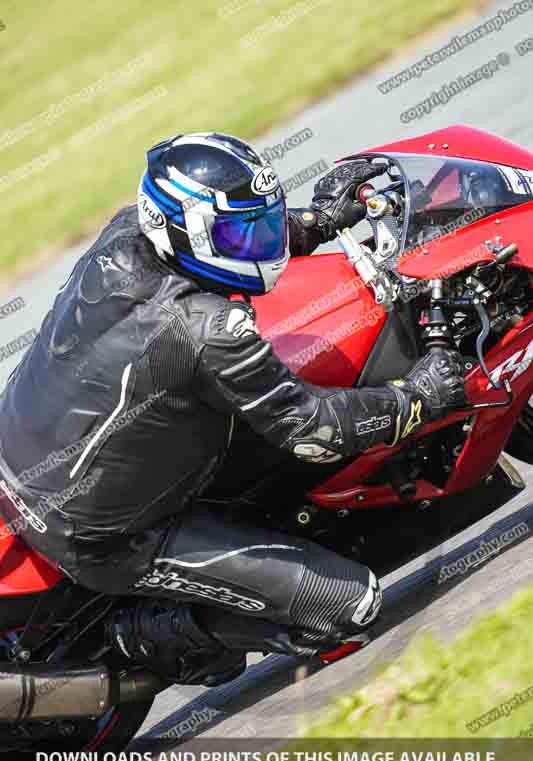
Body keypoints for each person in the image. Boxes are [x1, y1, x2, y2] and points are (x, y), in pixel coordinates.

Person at [0, 133, 465, 686]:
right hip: (102, 536)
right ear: (188, 231)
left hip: (27, 456)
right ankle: (136, 634)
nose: (260, 241)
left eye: (261, 224)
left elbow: (222, 243)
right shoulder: (208, 331)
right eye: (245, 231)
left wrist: (314, 222)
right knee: (349, 607)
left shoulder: (126, 234)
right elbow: (312, 430)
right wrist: (417, 399)